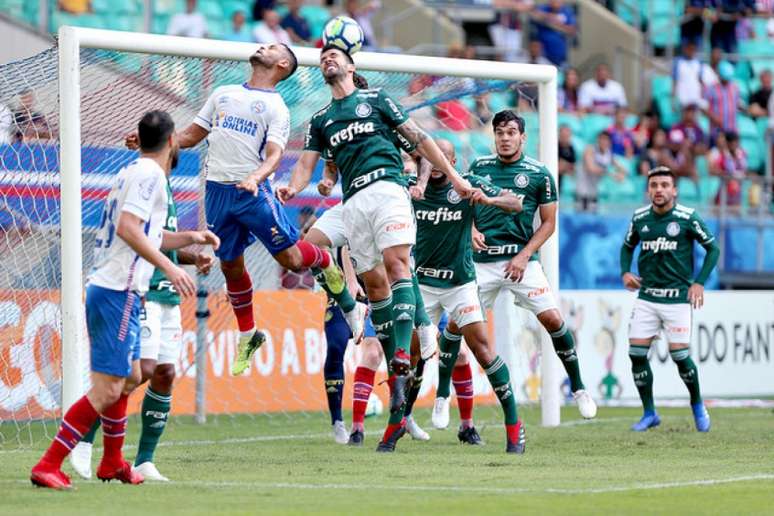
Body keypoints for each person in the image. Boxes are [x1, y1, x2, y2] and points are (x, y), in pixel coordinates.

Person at [277, 45, 473, 452]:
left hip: (387, 188)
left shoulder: (378, 99)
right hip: (352, 203)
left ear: (351, 63)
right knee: (370, 284)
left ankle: (403, 352)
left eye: (335, 53)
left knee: (399, 265)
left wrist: (452, 177)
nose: (328, 58)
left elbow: (420, 140)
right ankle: (365, 322)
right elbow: (309, 165)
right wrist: (294, 187)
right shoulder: (321, 120)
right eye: (323, 55)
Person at [126, 44, 362, 378]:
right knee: (230, 265)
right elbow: (191, 136)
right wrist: (152, 143)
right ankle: (249, 336)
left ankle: (331, 272)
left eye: (272, 48)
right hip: (218, 192)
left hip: (253, 192)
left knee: (292, 260)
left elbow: (275, 154)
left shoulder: (276, 106)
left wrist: (255, 177)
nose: (262, 46)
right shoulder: (222, 93)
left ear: (282, 64)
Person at [30, 111, 219, 490]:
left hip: (121, 291)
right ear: (171, 142)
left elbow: (149, 234)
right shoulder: (150, 176)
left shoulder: (133, 172)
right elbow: (128, 229)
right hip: (117, 290)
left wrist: (192, 237)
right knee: (107, 389)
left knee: (133, 375)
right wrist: (172, 267)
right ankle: (49, 463)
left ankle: (113, 462)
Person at [69, 166, 216, 483]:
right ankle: (84, 436)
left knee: (165, 373)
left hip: (169, 296)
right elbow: (140, 236)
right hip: (144, 289)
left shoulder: (165, 185)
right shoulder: (145, 181)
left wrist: (192, 257)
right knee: (140, 370)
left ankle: (145, 460)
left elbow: (161, 239)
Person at [469, 110, 597, 418]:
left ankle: (579, 388)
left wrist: (525, 255)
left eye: (511, 132)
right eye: (499, 132)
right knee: (456, 328)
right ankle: (442, 399)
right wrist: (471, 229)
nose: (505, 138)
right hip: (482, 262)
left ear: (523, 137)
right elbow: (465, 204)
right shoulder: (478, 167)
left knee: (553, 320)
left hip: (521, 261)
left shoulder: (539, 174)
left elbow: (549, 223)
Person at [414, 138, 527, 453]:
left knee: (480, 350)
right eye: (433, 156)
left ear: (453, 161)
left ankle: (514, 427)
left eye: (445, 158)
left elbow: (516, 203)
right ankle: (398, 425)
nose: (439, 162)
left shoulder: (467, 186)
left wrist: (488, 202)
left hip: (460, 284)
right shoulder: (412, 187)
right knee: (410, 354)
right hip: (422, 284)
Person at [620, 166, 719, 432]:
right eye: (654, 185)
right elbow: (628, 245)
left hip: (677, 299)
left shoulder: (688, 217)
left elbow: (712, 248)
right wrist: (625, 272)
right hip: (647, 298)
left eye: (665, 185)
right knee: (636, 354)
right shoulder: (640, 217)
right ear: (648, 190)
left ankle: (697, 404)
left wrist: (699, 282)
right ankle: (649, 413)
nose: (659, 190)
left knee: (680, 356)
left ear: (674, 190)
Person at [577, 131, 626, 212]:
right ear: (598, 140)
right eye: (601, 139)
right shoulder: (590, 149)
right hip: (582, 187)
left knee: (593, 212)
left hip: (594, 189)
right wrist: (611, 174)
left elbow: (622, 169)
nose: (603, 142)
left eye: (606, 140)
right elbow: (591, 168)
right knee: (581, 214)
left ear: (610, 143)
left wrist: (621, 175)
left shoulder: (608, 153)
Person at [672, 40, 717, 110]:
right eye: (689, 49)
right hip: (682, 99)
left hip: (695, 98)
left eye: (693, 49)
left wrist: (702, 96)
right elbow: (675, 81)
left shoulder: (699, 63)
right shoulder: (678, 62)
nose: (691, 51)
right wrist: (673, 98)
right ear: (685, 49)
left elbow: (701, 82)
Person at [530, 0, 577, 67]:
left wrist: (554, 23)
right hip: (543, 54)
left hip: (560, 53)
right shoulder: (544, 8)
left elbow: (572, 30)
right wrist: (551, 17)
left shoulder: (567, 11)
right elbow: (533, 14)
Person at [708, 130, 748, 206]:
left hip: (739, 188)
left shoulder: (742, 154)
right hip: (725, 188)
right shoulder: (722, 156)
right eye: (731, 142)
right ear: (727, 143)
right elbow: (713, 171)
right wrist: (726, 174)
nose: (734, 144)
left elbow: (745, 170)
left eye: (735, 142)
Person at [703, 61, 741, 137]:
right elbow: (704, 108)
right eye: (724, 79)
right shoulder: (711, 88)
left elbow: (736, 105)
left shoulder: (735, 88)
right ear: (719, 76)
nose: (726, 81)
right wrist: (713, 117)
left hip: (732, 129)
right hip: (717, 130)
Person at [557, 124, 576, 190]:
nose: (565, 137)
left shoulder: (571, 148)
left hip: (564, 180)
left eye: (567, 135)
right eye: (563, 135)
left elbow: (573, 168)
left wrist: (564, 165)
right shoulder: (555, 147)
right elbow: (557, 166)